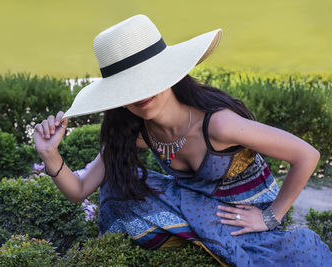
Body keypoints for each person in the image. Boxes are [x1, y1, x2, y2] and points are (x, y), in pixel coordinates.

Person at [34, 14, 332, 266]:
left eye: (148, 79)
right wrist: (50, 156)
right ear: (118, 99)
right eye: (127, 89)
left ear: (169, 73)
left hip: (243, 213)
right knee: (118, 183)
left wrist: (270, 217)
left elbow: (307, 155)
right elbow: (79, 191)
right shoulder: (134, 132)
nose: (140, 95)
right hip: (196, 204)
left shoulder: (219, 124)